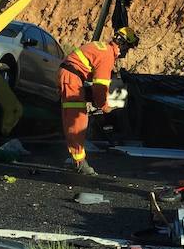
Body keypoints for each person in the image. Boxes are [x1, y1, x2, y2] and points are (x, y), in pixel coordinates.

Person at [58, 26, 139, 175]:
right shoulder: (107, 55)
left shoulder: (103, 48)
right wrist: (104, 106)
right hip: (71, 78)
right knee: (77, 121)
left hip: (71, 76)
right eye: (128, 48)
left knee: (74, 117)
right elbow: (100, 86)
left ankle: (76, 159)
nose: (127, 53)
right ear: (123, 45)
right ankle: (80, 163)